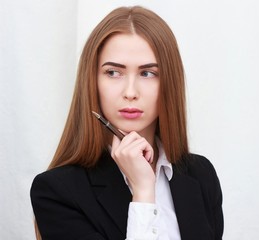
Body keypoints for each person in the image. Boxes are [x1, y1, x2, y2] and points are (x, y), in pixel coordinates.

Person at [30, 6, 223, 240]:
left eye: (147, 73)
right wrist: (143, 192)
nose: (130, 92)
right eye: (113, 72)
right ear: (92, 82)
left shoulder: (201, 175)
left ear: (169, 83)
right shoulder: (56, 192)